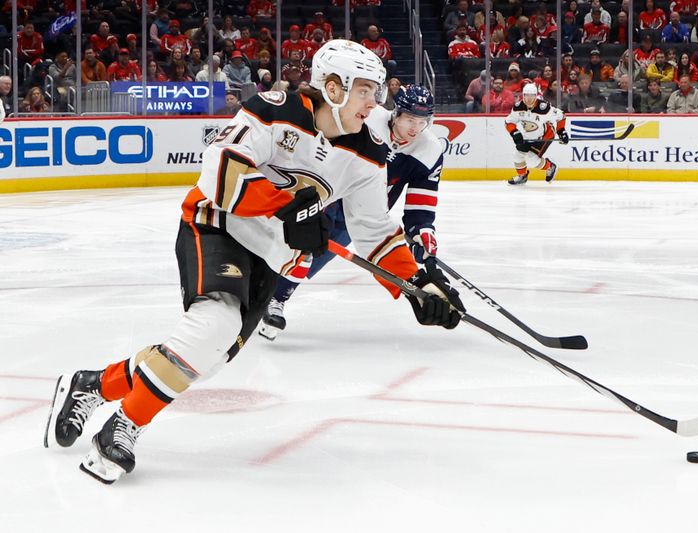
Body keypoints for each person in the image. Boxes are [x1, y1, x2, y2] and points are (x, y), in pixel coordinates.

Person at [43, 40, 464, 484]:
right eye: (365, 90)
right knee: (212, 327)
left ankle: (93, 384)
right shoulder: (276, 108)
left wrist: (418, 285)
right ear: (334, 87)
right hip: (216, 225)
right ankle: (124, 425)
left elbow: (375, 231)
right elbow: (220, 170)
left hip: (271, 258)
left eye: (375, 92)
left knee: (206, 357)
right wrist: (288, 205)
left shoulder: (368, 154)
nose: (373, 103)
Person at [258, 85, 448, 340]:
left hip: (362, 213)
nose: (415, 128)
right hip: (330, 197)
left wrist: (424, 243)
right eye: (410, 119)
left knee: (313, 259)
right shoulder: (370, 118)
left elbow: (421, 204)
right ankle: (272, 299)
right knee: (299, 249)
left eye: (422, 122)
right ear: (396, 114)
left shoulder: (430, 150)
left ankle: (273, 295)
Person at [505, 83, 568, 185]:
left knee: (531, 159)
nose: (529, 98)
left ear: (536, 96)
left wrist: (561, 131)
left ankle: (551, 167)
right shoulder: (518, 107)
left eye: (532, 95)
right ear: (523, 95)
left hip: (545, 135)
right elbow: (509, 122)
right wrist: (514, 132)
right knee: (517, 155)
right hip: (528, 135)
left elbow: (561, 115)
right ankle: (522, 176)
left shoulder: (544, 108)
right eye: (526, 95)